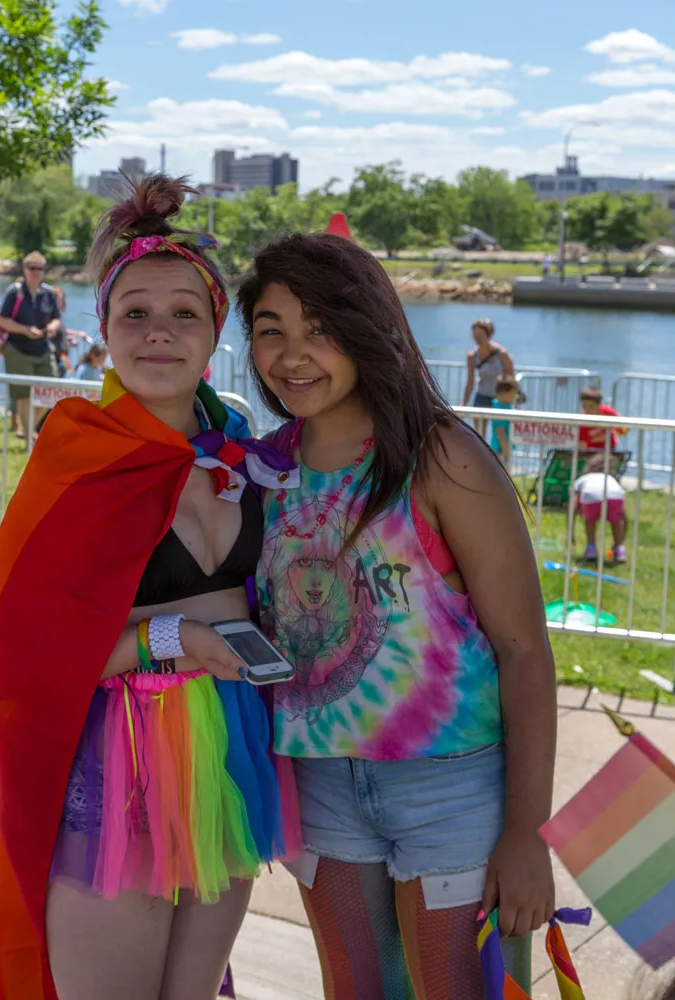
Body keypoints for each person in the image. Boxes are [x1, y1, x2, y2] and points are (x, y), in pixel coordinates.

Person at [0, 175, 300, 1000]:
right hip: (116, 760)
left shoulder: (242, 451)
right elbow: (24, 662)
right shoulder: (77, 458)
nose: (159, 332)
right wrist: (176, 639)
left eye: (184, 313)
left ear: (216, 332)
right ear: (102, 330)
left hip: (230, 752)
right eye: (135, 312)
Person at [238, 233, 557, 1000]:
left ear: (367, 330)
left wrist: (526, 833)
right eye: (271, 330)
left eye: (320, 329)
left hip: (452, 791)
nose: (293, 355)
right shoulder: (260, 470)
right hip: (319, 787)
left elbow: (524, 651)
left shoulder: (442, 457)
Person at [0, 251, 61, 439]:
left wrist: (51, 327)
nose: (36, 272)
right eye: (32, 268)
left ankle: (27, 429)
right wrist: (25, 330)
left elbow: (57, 318)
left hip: (42, 348)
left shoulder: (49, 293)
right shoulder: (14, 292)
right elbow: (2, 320)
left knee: (52, 391)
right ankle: (29, 440)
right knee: (23, 395)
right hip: (18, 349)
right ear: (25, 270)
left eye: (40, 268)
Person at [461, 318, 514, 436]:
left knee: (501, 434)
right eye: (475, 336)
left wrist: (514, 400)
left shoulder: (502, 354)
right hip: (482, 396)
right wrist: (464, 403)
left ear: (488, 335)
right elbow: (470, 382)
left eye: (480, 336)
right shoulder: (472, 356)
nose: (477, 339)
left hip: (500, 399)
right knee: (479, 435)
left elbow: (511, 379)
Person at [573, 453, 627, 563]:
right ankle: (619, 549)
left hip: (591, 497)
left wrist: (571, 531)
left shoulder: (584, 479)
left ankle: (591, 548)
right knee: (616, 521)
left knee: (590, 520)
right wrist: (623, 531)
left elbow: (574, 504)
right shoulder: (611, 479)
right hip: (615, 498)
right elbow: (624, 516)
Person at [579, 385, 625, 453]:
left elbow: (624, 427)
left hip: (610, 450)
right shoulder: (580, 420)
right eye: (584, 406)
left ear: (599, 404)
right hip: (589, 452)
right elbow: (581, 443)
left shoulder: (608, 412)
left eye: (591, 406)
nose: (587, 409)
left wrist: (615, 432)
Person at [491, 374, 520, 465]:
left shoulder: (502, 405)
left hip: (503, 449)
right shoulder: (501, 410)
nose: (516, 397)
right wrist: (506, 454)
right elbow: (500, 433)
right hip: (501, 450)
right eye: (513, 394)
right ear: (504, 393)